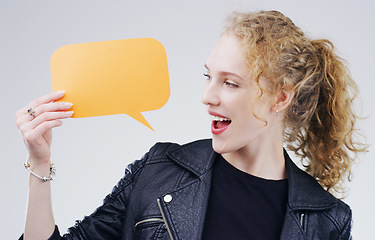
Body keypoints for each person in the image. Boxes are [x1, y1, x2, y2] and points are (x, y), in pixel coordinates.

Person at [17, 10, 366, 240]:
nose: (207, 96)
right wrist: (39, 164)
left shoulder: (328, 221)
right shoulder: (157, 170)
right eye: (208, 77)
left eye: (230, 83)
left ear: (280, 97)